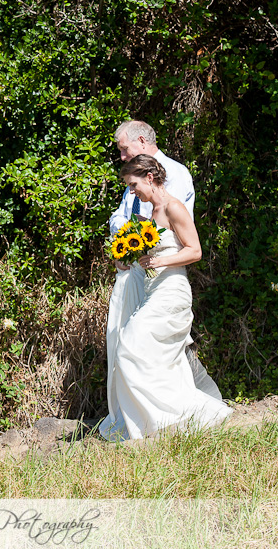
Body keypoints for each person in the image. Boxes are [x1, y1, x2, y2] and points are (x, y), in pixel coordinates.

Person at [99, 155, 232, 440]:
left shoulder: (174, 207)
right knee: (153, 358)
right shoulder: (148, 215)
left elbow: (194, 251)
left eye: (133, 185)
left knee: (129, 348)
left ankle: (172, 416)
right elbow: (148, 252)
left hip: (172, 292)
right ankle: (164, 421)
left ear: (150, 177)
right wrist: (126, 258)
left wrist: (161, 262)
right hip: (152, 290)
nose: (132, 192)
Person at [107, 119, 223, 401]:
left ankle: (188, 405)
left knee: (150, 346)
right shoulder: (133, 179)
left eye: (124, 149)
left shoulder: (174, 176)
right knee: (139, 346)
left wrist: (155, 259)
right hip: (140, 277)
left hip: (167, 279)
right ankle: (148, 413)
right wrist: (122, 250)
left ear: (142, 143)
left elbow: (176, 235)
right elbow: (123, 219)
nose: (122, 156)